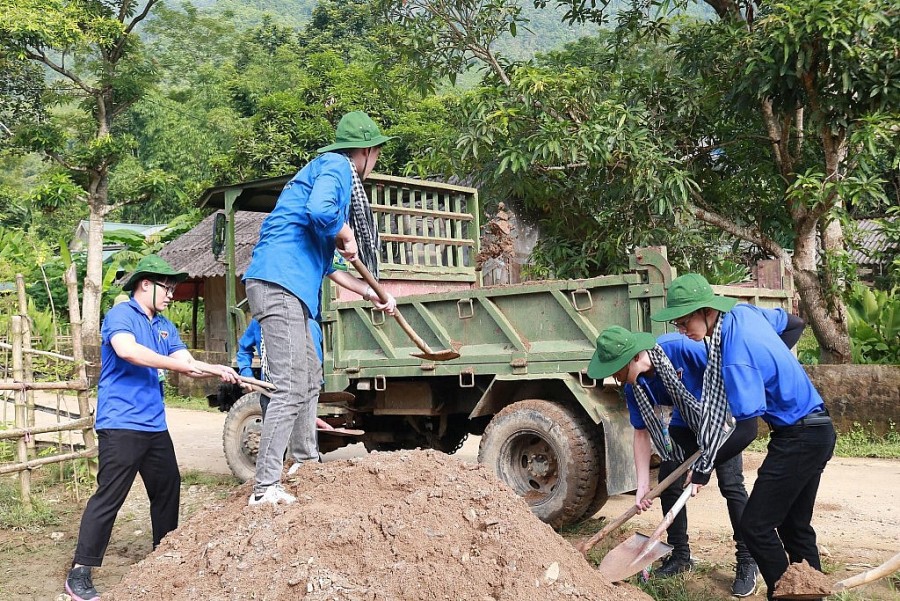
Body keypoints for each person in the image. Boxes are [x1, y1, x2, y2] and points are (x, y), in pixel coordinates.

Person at [243, 110, 397, 506]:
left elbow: (331, 267)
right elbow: (322, 212)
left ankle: (305, 462)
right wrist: (346, 232)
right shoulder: (335, 166)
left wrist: (370, 293)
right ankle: (264, 487)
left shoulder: (333, 175)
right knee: (290, 383)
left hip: (290, 287)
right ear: (364, 152)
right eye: (376, 153)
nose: (375, 161)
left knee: (311, 376)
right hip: (278, 283)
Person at [64, 255, 240, 601]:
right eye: (167, 287)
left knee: (167, 486)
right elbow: (128, 352)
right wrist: (179, 364)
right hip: (121, 423)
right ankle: (80, 573)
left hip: (154, 425)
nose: (171, 294)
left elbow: (185, 362)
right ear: (146, 284)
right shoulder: (121, 316)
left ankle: (165, 554)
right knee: (110, 495)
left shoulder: (164, 326)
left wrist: (218, 370)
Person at [651, 273, 835, 601]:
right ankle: (813, 594)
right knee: (795, 528)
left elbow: (746, 429)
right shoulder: (743, 314)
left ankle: (788, 594)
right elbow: (793, 323)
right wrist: (771, 362)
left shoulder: (735, 355)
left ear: (706, 311)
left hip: (799, 437)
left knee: (756, 526)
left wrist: (706, 466)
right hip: (818, 428)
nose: (680, 329)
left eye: (683, 321)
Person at [587, 327, 759, 595]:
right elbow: (641, 433)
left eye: (615, 368)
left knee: (731, 484)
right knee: (669, 479)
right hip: (685, 422)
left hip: (720, 416)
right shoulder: (635, 387)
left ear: (630, 358)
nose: (614, 375)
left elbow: (724, 371)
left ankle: (748, 559)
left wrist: (708, 456)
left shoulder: (680, 347)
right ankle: (680, 556)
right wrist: (643, 485)